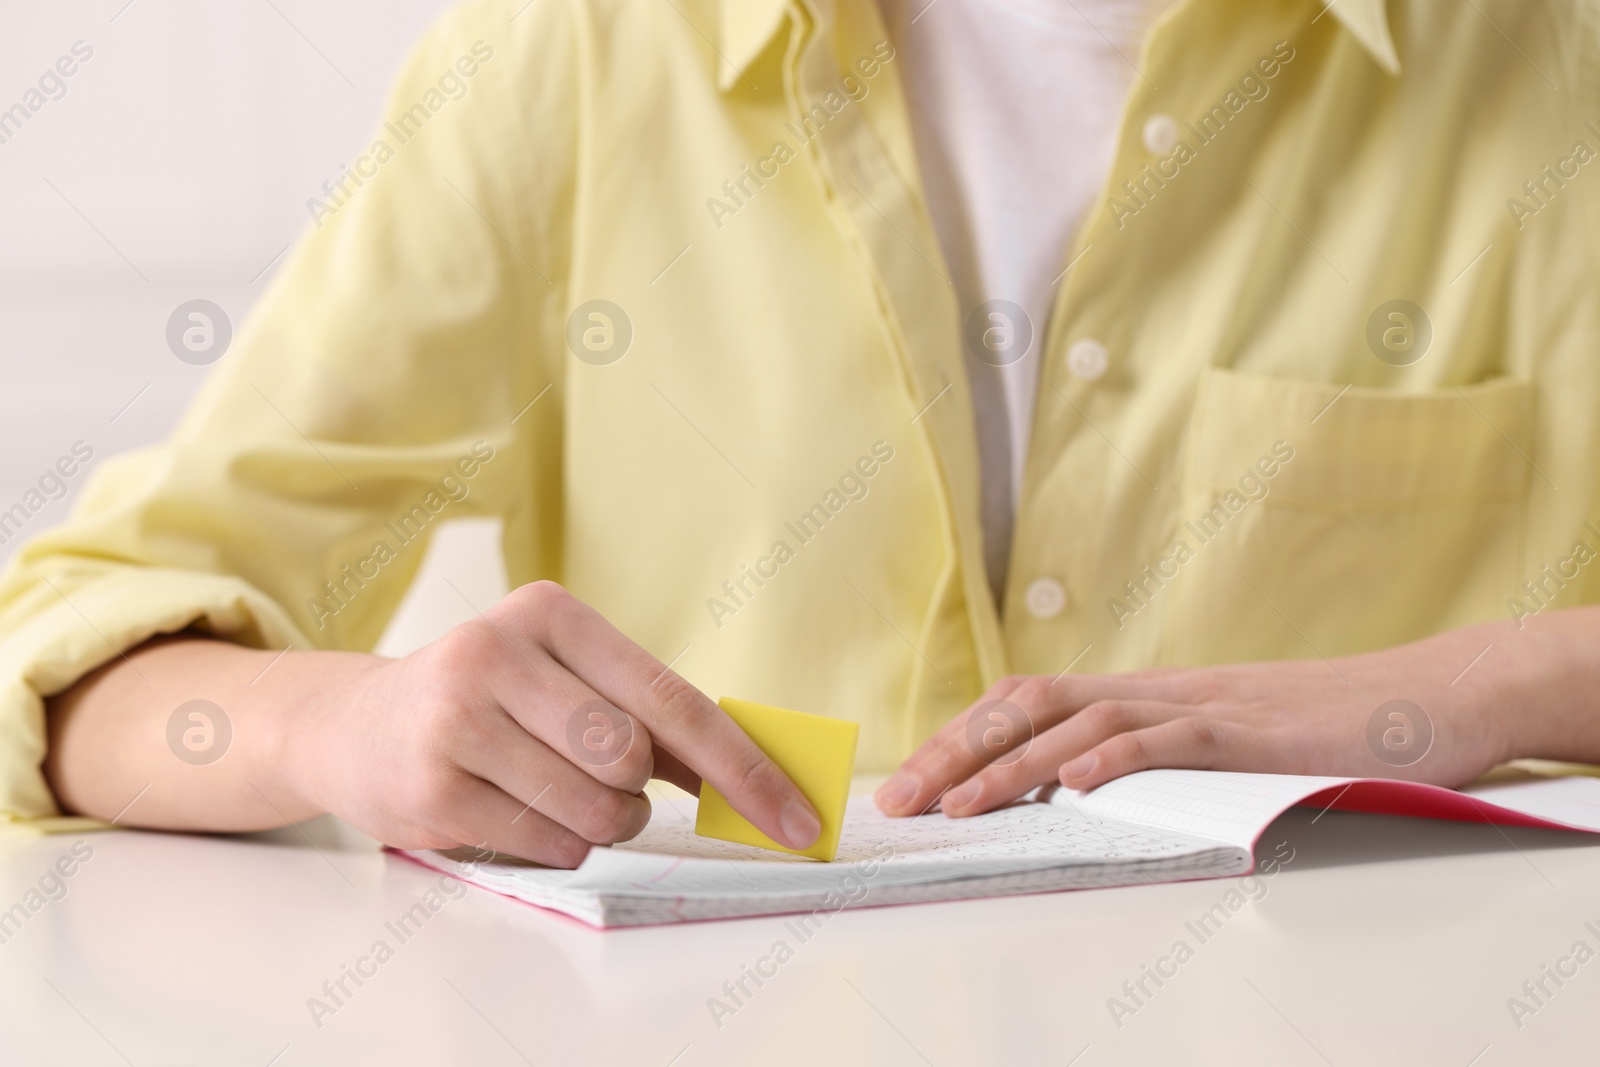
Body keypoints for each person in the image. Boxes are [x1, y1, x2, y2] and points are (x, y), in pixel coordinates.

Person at [4, 0, 1598, 868]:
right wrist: (340, 729)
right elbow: (62, 666)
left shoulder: (1558, 68)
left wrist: (1462, 691)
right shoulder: (582, 50)